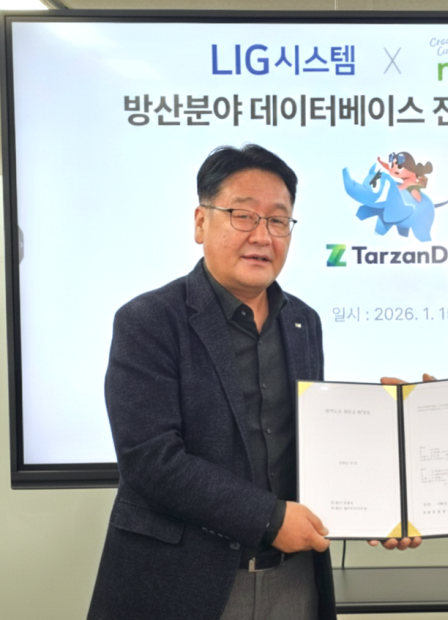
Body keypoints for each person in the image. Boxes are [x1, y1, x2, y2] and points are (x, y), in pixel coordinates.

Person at [88, 144, 335, 620]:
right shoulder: (149, 320)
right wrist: (269, 519)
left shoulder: (304, 322)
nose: (262, 235)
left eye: (277, 220)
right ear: (201, 222)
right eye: (243, 216)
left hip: (294, 580)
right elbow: (151, 460)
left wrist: (388, 500)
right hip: (182, 584)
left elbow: (313, 444)